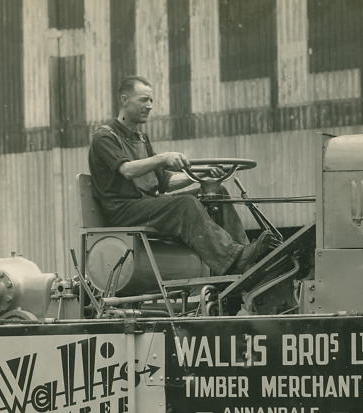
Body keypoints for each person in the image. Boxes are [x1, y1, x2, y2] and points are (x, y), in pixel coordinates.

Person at [87, 75, 273, 275]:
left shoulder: (141, 138)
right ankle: (233, 258)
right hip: (123, 210)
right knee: (185, 204)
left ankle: (244, 254)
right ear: (124, 100)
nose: (149, 106)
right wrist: (163, 158)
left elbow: (165, 182)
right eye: (143, 100)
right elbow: (127, 170)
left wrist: (202, 175)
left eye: (151, 100)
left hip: (146, 205)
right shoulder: (104, 137)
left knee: (216, 192)